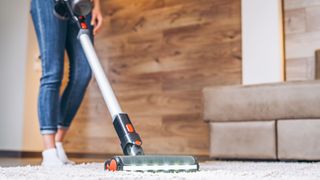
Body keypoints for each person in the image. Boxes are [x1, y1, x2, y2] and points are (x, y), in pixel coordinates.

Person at [30, 0, 103, 166]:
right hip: (48, 3)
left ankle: (57, 143)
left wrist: (97, 6)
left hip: (81, 4)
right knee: (53, 71)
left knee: (83, 73)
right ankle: (49, 152)